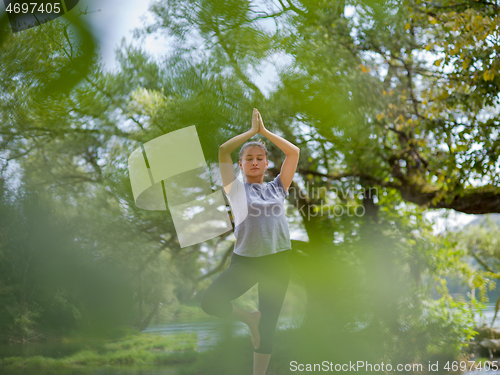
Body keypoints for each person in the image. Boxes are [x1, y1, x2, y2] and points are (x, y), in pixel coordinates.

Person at [201, 108, 300, 375]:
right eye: (248, 158)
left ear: (267, 163)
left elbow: (294, 153)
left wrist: (265, 132)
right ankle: (249, 319)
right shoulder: (235, 189)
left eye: (259, 158)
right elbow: (223, 150)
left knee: (269, 327)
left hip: (278, 262)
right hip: (245, 262)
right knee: (210, 301)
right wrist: (251, 132)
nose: (254, 162)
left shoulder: (278, 187)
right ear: (241, 164)